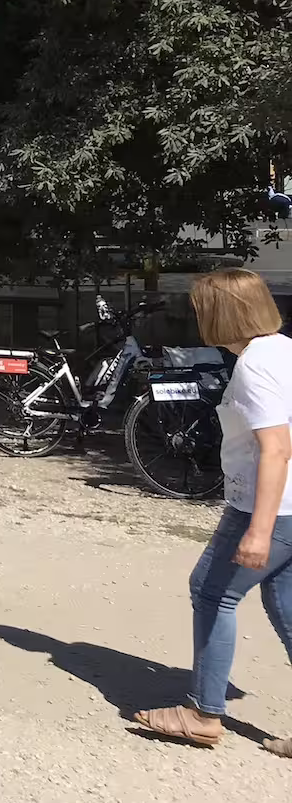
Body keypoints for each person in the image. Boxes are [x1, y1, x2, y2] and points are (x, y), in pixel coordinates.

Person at [135, 269, 292, 755]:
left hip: (268, 507)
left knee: (211, 592)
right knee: (285, 605)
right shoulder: (283, 350)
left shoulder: (255, 366)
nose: (196, 316)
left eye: (202, 308)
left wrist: (259, 531)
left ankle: (203, 714)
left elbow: (276, 447)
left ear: (223, 313)